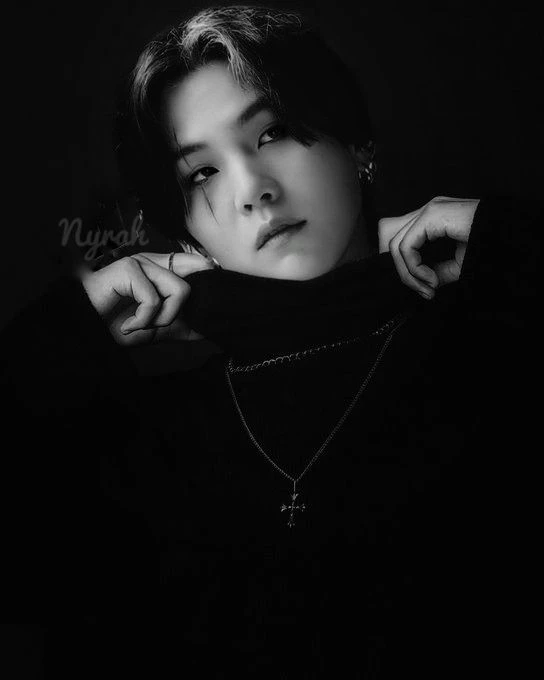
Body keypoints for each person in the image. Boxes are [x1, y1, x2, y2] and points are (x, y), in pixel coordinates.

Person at [1, 4, 539, 678]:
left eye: (273, 132)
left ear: (357, 145)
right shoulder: (151, 438)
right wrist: (75, 327)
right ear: (188, 232)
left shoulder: (493, 352)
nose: (253, 190)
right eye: (202, 173)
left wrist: (505, 241)